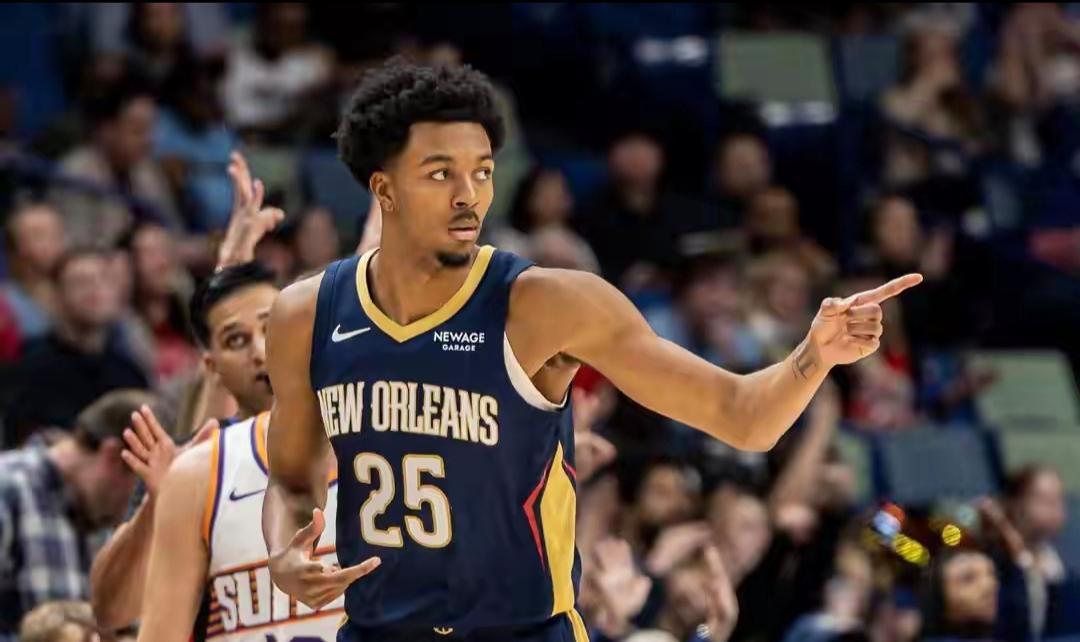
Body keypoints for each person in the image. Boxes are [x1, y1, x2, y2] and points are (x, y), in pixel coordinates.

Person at [262, 59, 921, 642]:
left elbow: (744, 417)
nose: (469, 196)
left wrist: (814, 355)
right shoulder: (306, 314)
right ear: (384, 190)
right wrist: (284, 554)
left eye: (482, 172)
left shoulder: (547, 303)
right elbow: (291, 481)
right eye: (441, 174)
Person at [0, 389, 161, 641]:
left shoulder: (99, 514)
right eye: (138, 487)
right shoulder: (9, 488)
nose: (130, 507)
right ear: (111, 456)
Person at [1, 248, 150, 443]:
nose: (95, 290)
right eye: (81, 282)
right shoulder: (29, 366)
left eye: (104, 280)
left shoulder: (128, 371)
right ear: (56, 296)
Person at [0, 202, 67, 341]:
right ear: (15, 248)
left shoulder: (81, 296)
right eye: (39, 235)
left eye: (57, 233)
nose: (53, 242)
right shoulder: (5, 305)